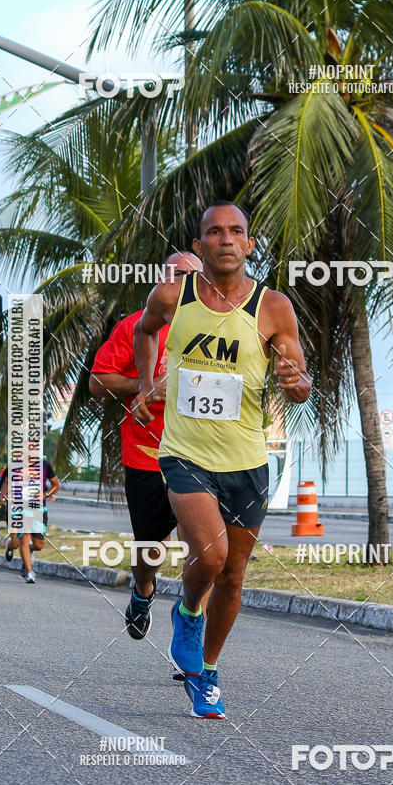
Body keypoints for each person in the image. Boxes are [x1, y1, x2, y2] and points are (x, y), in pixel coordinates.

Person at [132, 201, 311, 718]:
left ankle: (207, 673)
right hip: (185, 453)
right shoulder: (172, 294)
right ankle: (188, 613)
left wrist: (297, 382)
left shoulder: (273, 306)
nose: (226, 239)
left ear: (249, 245)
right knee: (208, 557)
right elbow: (145, 331)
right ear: (200, 246)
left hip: (248, 461)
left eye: (237, 232)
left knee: (233, 575)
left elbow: (298, 378)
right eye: (215, 232)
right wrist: (147, 384)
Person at [90, 253, 206, 664]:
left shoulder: (219, 326)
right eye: (176, 275)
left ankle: (191, 630)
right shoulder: (135, 325)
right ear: (160, 280)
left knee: (205, 548)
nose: (183, 283)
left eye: (191, 275)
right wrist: (143, 386)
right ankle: (143, 590)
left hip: (202, 453)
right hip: (146, 455)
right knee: (151, 549)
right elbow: (98, 381)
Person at [0, 459, 61, 582]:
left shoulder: (45, 465)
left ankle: (24, 553)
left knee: (38, 545)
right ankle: (29, 571)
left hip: (38, 509)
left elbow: (52, 484)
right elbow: (6, 482)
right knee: (21, 541)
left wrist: (47, 494)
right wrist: (3, 496)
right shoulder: (14, 466)